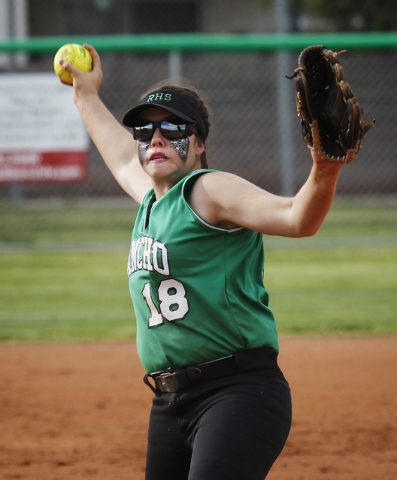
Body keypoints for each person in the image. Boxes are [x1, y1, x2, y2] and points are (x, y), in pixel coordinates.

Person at [60, 44, 344, 480]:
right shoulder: (154, 201)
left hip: (237, 394)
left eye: (171, 128)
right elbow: (119, 156)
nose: (154, 139)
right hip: (169, 404)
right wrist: (85, 94)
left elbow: (296, 218)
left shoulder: (207, 190)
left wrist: (325, 169)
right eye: (144, 131)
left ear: (198, 143)